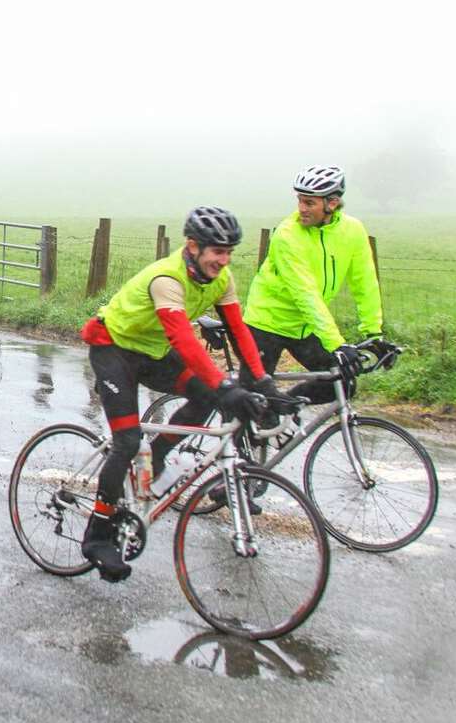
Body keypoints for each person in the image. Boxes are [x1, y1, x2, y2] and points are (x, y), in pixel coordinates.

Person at [79, 206, 276, 582]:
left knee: (206, 397)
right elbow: (184, 341)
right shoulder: (166, 279)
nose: (224, 259)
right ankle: (97, 533)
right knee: (126, 441)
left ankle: (157, 457)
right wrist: (224, 384)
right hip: (114, 350)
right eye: (217, 251)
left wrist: (262, 380)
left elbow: (239, 330)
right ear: (193, 246)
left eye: (229, 251)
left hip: (152, 353)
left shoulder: (222, 279)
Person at [240, 165, 386, 404]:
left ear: (332, 203)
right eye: (300, 201)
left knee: (342, 382)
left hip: (305, 328)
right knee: (253, 399)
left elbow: (365, 283)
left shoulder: (353, 231)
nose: (301, 209)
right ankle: (253, 423)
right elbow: (305, 293)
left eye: (309, 203)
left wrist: (374, 332)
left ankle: (283, 407)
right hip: (265, 325)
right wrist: (337, 344)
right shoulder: (288, 235)